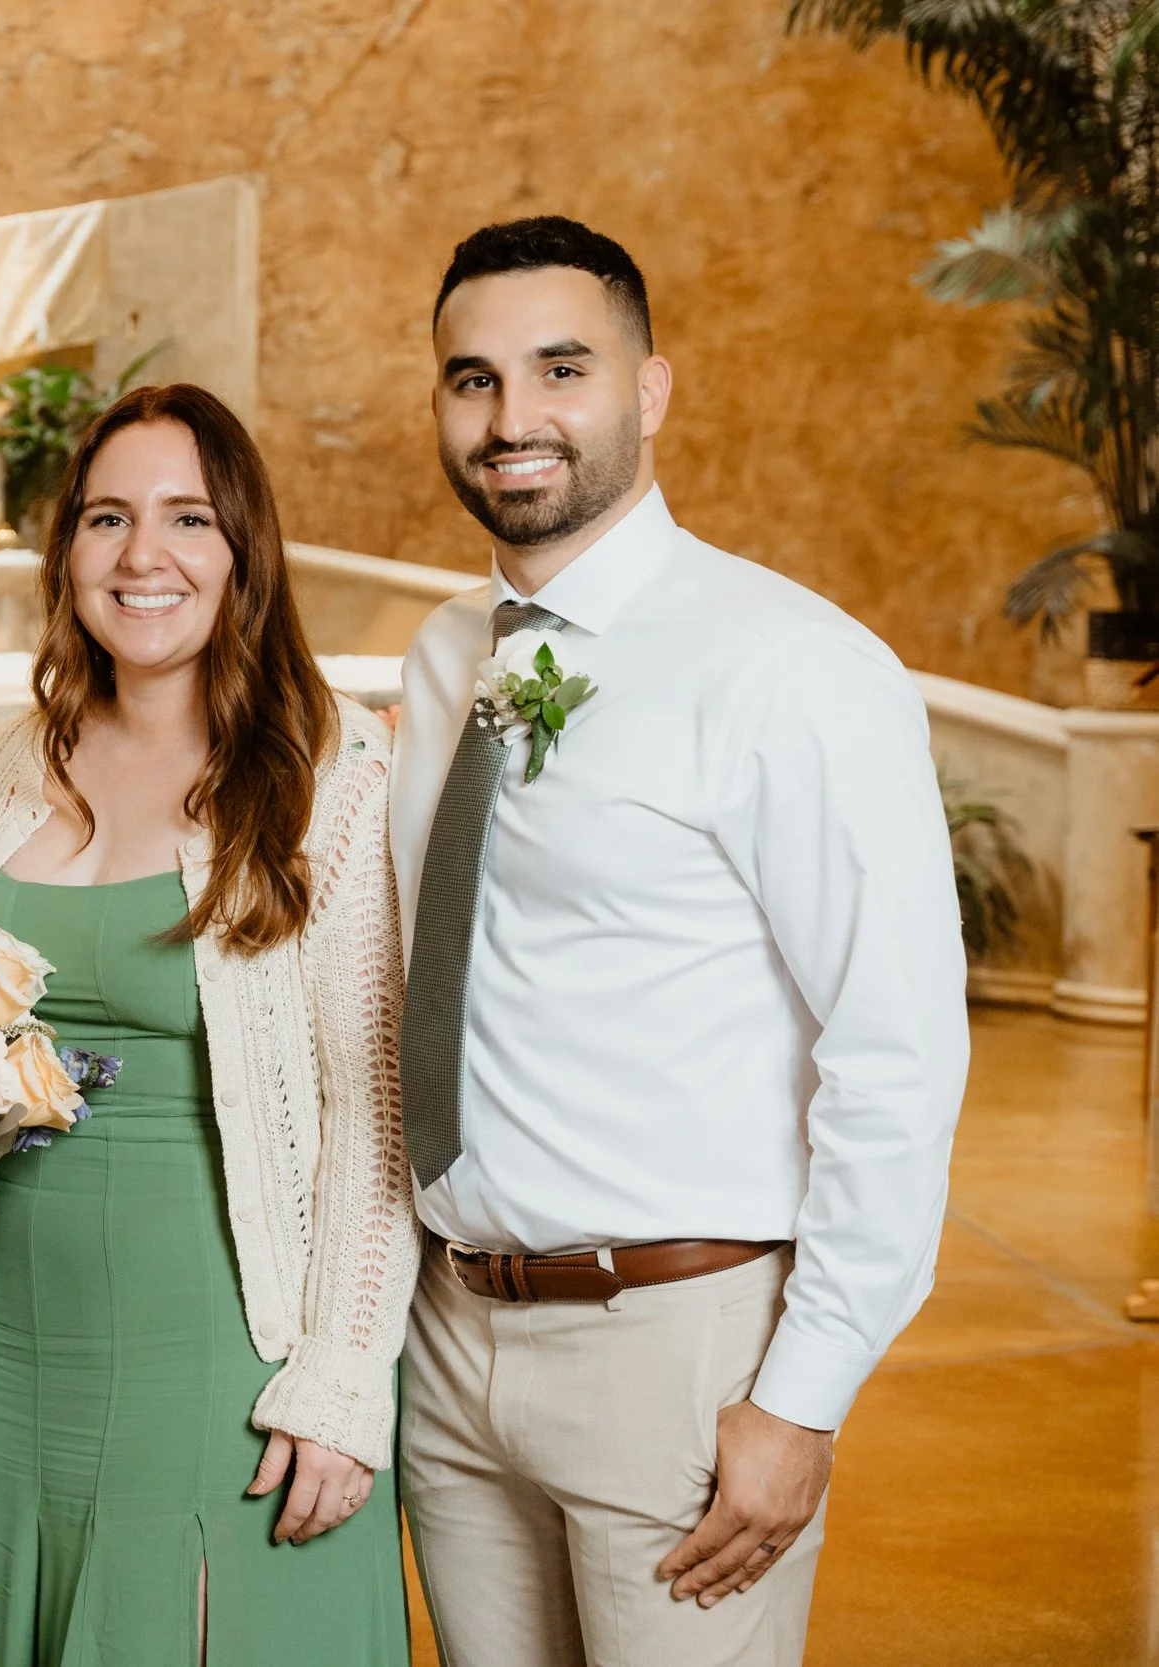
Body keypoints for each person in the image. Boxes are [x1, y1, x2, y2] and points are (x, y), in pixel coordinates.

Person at [392, 216, 969, 1665]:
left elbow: (897, 1050)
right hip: (452, 1336)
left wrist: (803, 1394)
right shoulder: (446, 653)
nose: (514, 417)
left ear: (650, 392)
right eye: (474, 379)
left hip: (679, 1343)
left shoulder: (791, 667)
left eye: (561, 368)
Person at [0, 384, 415, 1665]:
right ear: (66, 555)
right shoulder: (5, 767)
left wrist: (337, 1377)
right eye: (106, 517)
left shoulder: (329, 774)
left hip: (218, 1333)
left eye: (185, 518)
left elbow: (374, 1115)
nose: (140, 555)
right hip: (1, 1334)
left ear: (242, 552)